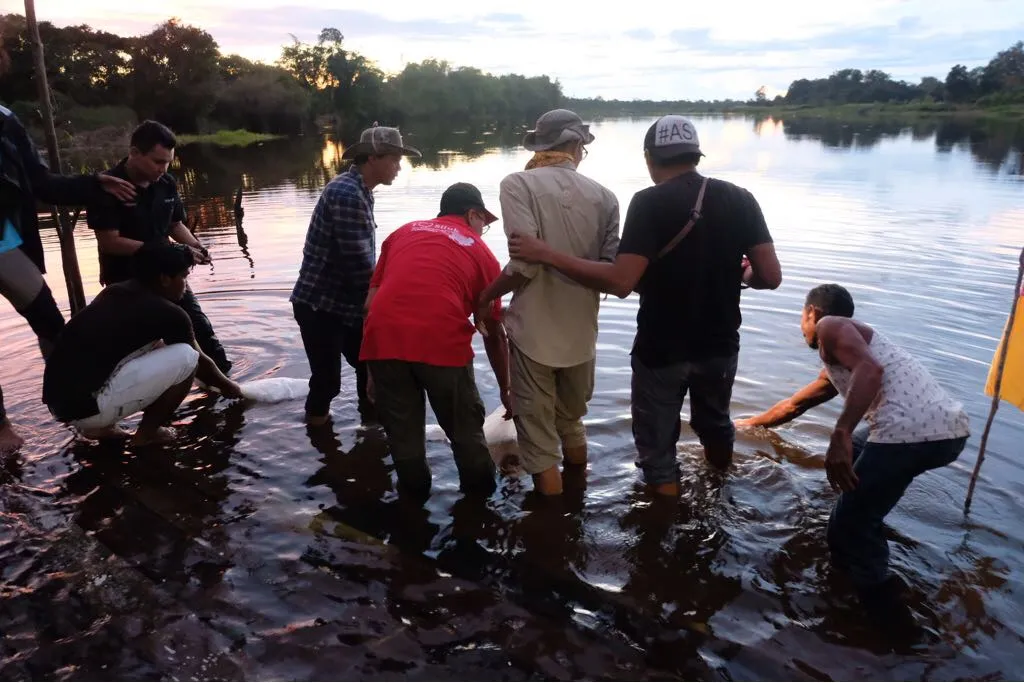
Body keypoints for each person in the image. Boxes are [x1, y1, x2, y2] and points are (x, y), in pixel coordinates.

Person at [508, 115, 781, 496]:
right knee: (716, 424)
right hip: (720, 348)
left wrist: (546, 254)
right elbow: (770, 276)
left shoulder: (649, 202)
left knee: (657, 452)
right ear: (695, 155)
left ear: (649, 157)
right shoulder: (740, 198)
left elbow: (621, 282)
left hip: (661, 351)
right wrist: (744, 273)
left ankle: (664, 520)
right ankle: (720, 491)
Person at [735, 284, 970, 625]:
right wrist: (746, 425)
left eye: (802, 317)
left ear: (812, 313)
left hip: (909, 433)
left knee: (847, 528)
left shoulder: (829, 326)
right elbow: (795, 405)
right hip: (946, 431)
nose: (802, 327)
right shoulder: (844, 358)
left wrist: (840, 432)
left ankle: (894, 625)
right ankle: (857, 545)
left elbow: (871, 372)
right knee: (854, 460)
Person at [478, 109, 620, 496]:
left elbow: (523, 266)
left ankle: (553, 524)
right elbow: (609, 271)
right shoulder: (606, 197)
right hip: (582, 336)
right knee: (571, 423)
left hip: (534, 336)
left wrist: (485, 297)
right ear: (577, 146)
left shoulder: (517, 184)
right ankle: (579, 504)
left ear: (539, 146)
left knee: (539, 447)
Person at [0, 102, 136, 454]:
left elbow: (41, 182)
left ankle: (81, 414)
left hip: (5, 242)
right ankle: (2, 428)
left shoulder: (6, 120)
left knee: (51, 325)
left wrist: (93, 184)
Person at [360, 183, 511, 499]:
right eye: (484, 222)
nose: (483, 230)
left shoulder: (402, 233)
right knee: (466, 434)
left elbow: (371, 305)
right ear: (472, 214)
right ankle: (482, 507)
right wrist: (507, 390)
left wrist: (373, 370)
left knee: (403, 439)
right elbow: (493, 332)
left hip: (384, 342)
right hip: (441, 343)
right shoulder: (480, 251)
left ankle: (414, 506)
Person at [42, 243, 242, 447]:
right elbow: (201, 363)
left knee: (159, 347)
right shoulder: (170, 313)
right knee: (187, 357)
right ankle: (147, 434)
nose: (185, 286)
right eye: (183, 277)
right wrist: (232, 388)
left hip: (59, 405)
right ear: (165, 279)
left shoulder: (113, 292)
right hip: (87, 408)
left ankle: (101, 427)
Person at [291, 125, 421, 426]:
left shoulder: (359, 190)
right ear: (373, 158)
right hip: (320, 305)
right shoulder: (347, 194)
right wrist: (392, 301)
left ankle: (370, 434)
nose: (399, 167)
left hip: (344, 305)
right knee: (327, 381)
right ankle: (318, 433)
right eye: (394, 159)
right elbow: (360, 267)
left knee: (370, 368)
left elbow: (362, 267)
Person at [86, 120, 232, 375]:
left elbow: (175, 224)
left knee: (200, 329)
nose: (163, 169)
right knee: (138, 347)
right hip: (126, 280)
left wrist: (195, 245)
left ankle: (223, 382)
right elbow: (109, 241)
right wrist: (160, 251)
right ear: (134, 153)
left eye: (167, 162)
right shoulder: (109, 187)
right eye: (157, 162)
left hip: (168, 275)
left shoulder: (167, 183)